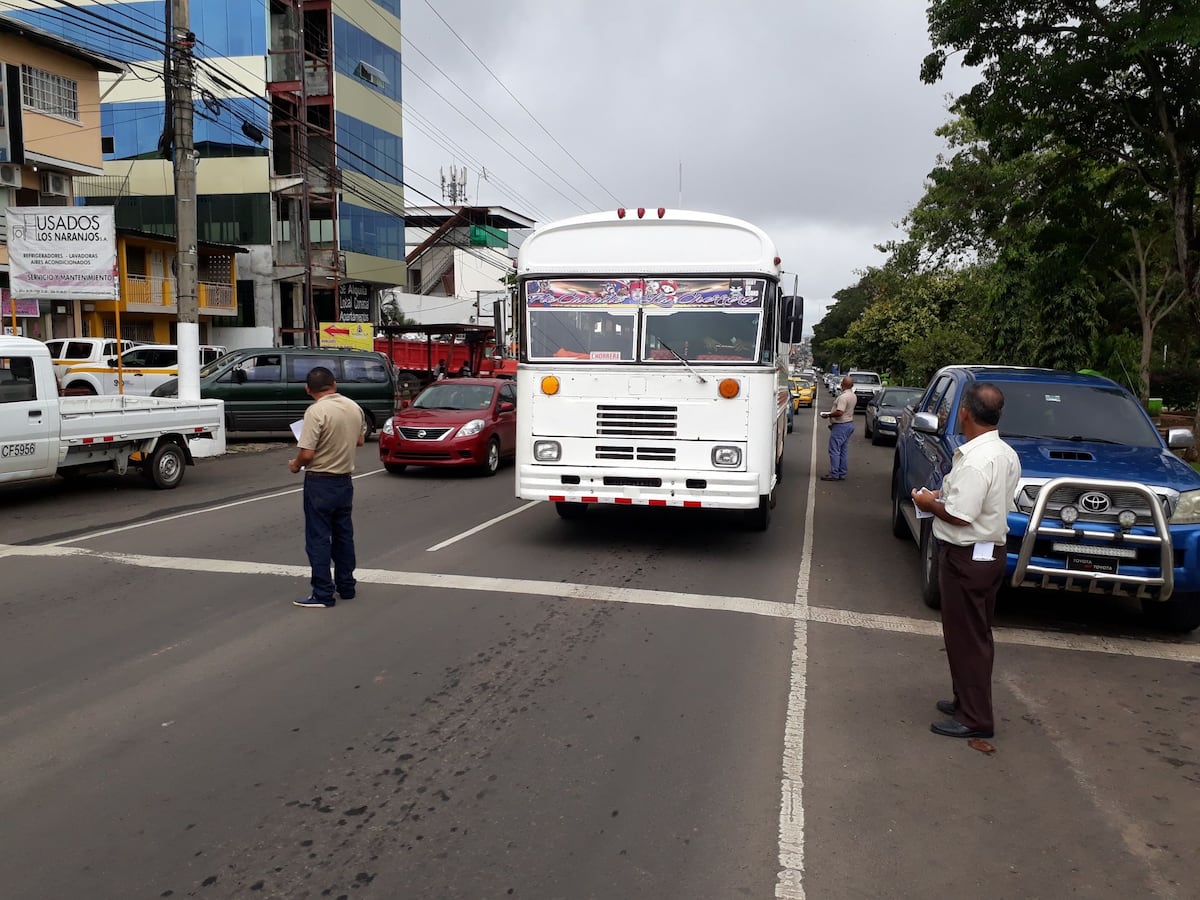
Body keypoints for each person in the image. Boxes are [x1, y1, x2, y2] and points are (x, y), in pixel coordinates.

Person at [912, 382, 1021, 739]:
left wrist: (929, 504)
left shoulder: (977, 460)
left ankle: (975, 718)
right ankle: (965, 702)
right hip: (986, 554)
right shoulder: (1004, 452)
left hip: (969, 556)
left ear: (966, 412)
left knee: (968, 639)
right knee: (970, 635)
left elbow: (961, 515)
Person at [288, 366, 367, 609]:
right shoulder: (354, 407)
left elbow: (308, 453)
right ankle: (347, 586)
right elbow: (360, 441)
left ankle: (323, 593)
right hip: (344, 481)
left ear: (308, 389)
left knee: (319, 538)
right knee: (344, 536)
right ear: (334, 383)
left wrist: (294, 464)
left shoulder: (316, 411)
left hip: (320, 481)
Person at [821, 375, 856, 481]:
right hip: (848, 424)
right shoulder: (853, 396)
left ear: (843, 385)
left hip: (841, 425)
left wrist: (828, 415)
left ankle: (834, 473)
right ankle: (842, 472)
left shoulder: (843, 397)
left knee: (834, 449)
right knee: (843, 450)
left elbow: (840, 412)